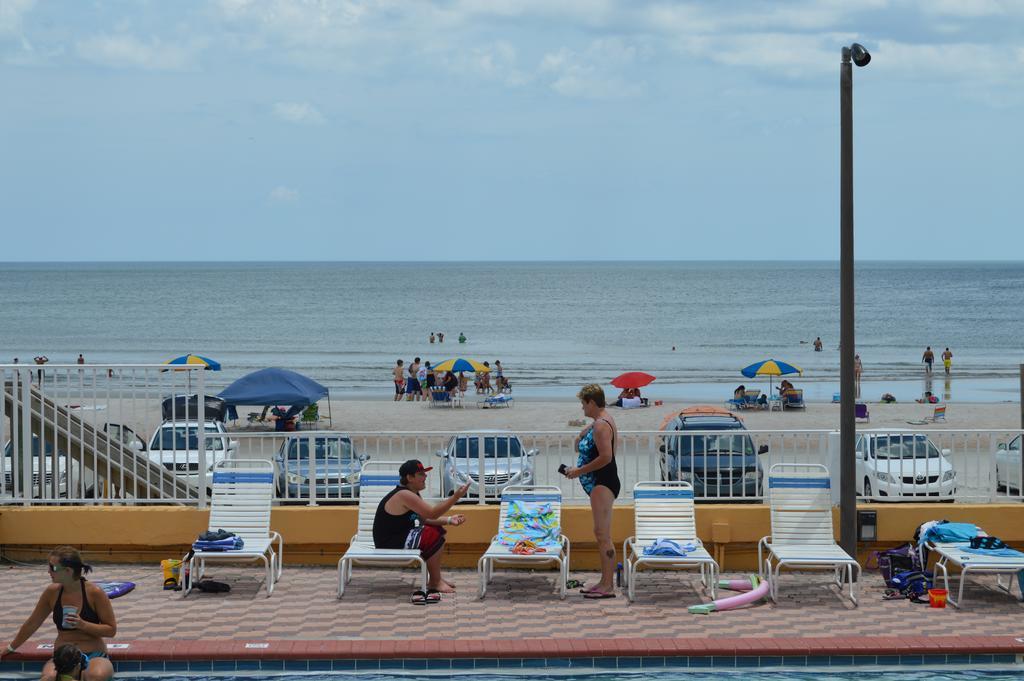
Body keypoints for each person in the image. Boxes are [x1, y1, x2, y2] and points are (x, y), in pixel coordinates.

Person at [0, 546, 116, 681]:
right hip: (62, 658)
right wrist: (10, 647)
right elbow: (33, 623)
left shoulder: (95, 593)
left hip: (93, 655)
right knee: (48, 678)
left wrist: (83, 624)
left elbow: (111, 630)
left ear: (68, 571)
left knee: (96, 676)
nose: (48, 571)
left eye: (53, 567)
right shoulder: (52, 593)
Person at [372, 460, 468, 597]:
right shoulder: (403, 495)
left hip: (399, 537)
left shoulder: (412, 493)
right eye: (421, 474)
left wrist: (448, 520)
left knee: (437, 530)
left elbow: (424, 519)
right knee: (431, 535)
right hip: (389, 542)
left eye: (425, 473)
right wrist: (455, 497)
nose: (425, 477)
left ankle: (436, 578)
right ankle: (435, 582)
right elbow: (432, 513)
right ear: (409, 478)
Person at [564, 384, 620, 599]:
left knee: (602, 535)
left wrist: (579, 471)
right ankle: (604, 582)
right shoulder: (601, 421)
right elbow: (590, 444)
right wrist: (583, 432)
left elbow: (606, 456)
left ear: (591, 402)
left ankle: (608, 586)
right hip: (601, 483)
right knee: (601, 534)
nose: (582, 408)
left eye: (583, 404)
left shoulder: (601, 426)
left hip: (603, 483)